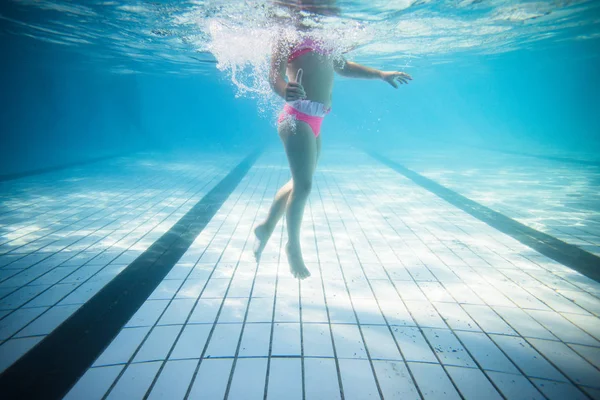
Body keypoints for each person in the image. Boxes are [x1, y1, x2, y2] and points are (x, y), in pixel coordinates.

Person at [253, 1, 412, 279]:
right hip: (296, 117)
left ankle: (266, 227)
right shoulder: (286, 35)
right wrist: (283, 90)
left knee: (297, 182)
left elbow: (343, 66)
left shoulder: (326, 39)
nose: (324, 12)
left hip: (316, 121)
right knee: (304, 185)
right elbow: (273, 77)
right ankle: (293, 247)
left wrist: (379, 74)